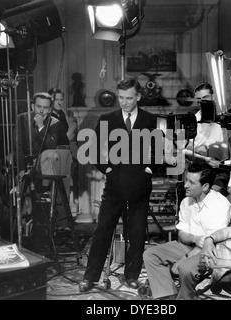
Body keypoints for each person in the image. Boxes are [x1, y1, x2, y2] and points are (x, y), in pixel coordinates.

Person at [79, 78, 158, 292]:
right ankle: (90, 277)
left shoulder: (150, 119)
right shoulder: (107, 119)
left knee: (137, 233)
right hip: (114, 186)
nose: (124, 102)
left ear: (138, 97)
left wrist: (150, 168)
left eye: (129, 98)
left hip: (140, 186)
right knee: (102, 231)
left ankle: (131, 276)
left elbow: (158, 148)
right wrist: (107, 169)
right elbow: (92, 149)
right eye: (121, 98)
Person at [142, 161, 231, 300]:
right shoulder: (186, 201)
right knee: (150, 255)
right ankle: (168, 298)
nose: (185, 185)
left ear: (205, 186)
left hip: (210, 252)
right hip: (188, 246)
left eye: (191, 182)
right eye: (186, 181)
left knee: (185, 268)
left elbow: (209, 244)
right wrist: (194, 238)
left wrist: (184, 259)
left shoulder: (220, 205)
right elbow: (182, 234)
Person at [183, 82, 231, 196]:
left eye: (205, 97)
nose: (202, 102)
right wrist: (204, 159)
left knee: (214, 195)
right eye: (199, 99)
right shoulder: (192, 120)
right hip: (200, 169)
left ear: (213, 96)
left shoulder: (227, 117)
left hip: (222, 169)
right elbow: (184, 150)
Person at [15, 92, 60, 175]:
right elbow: (18, 146)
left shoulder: (54, 122)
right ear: (33, 106)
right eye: (39, 106)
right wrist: (21, 169)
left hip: (45, 167)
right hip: (25, 166)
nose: (41, 111)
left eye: (45, 107)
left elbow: (51, 146)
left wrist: (41, 126)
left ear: (50, 109)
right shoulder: (21, 119)